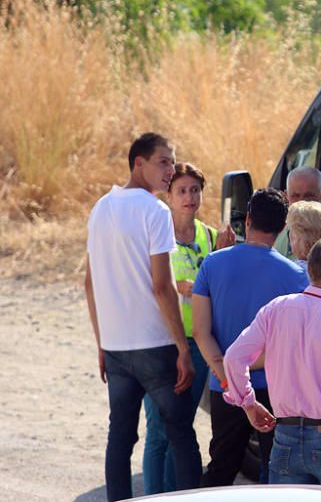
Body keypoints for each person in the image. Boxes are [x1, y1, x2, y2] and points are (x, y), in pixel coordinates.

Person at [84, 132, 202, 501]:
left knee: (120, 436)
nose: (170, 170)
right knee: (180, 431)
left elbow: (89, 283)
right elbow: (163, 287)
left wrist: (101, 342)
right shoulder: (156, 211)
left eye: (172, 161)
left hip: (117, 347)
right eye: (163, 162)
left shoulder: (100, 208)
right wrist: (183, 348)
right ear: (139, 163)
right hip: (155, 346)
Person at [222, 235, 321, 488]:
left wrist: (249, 404)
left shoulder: (276, 309)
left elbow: (233, 358)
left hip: (284, 437)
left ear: (311, 270)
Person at [192, 188, 308, 487]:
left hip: (225, 385)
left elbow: (201, 331)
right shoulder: (296, 276)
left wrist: (228, 372)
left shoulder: (212, 264)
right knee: (277, 472)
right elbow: (292, 344)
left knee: (221, 468)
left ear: (248, 219)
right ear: (283, 227)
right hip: (275, 388)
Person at [142, 162, 234, 495]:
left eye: (195, 190)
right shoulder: (154, 234)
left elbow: (221, 288)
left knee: (181, 423)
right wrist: (176, 286)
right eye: (181, 190)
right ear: (168, 195)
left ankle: (175, 494)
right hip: (162, 342)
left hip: (198, 342)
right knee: (158, 429)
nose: (189, 197)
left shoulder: (210, 236)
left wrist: (224, 256)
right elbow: (148, 287)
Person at [272, 166, 321, 259]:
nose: (301, 203)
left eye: (308, 196)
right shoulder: (279, 232)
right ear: (286, 197)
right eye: (295, 196)